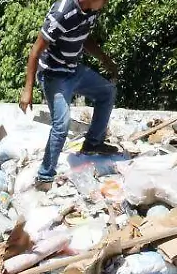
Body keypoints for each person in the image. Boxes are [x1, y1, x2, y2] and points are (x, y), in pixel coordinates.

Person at [19, 0, 120, 190]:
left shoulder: (91, 10)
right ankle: (45, 176)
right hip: (53, 75)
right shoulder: (62, 12)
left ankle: (92, 144)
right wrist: (28, 90)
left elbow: (84, 38)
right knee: (61, 124)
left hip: (73, 71)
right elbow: (35, 51)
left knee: (107, 91)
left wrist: (105, 59)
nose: (106, 3)